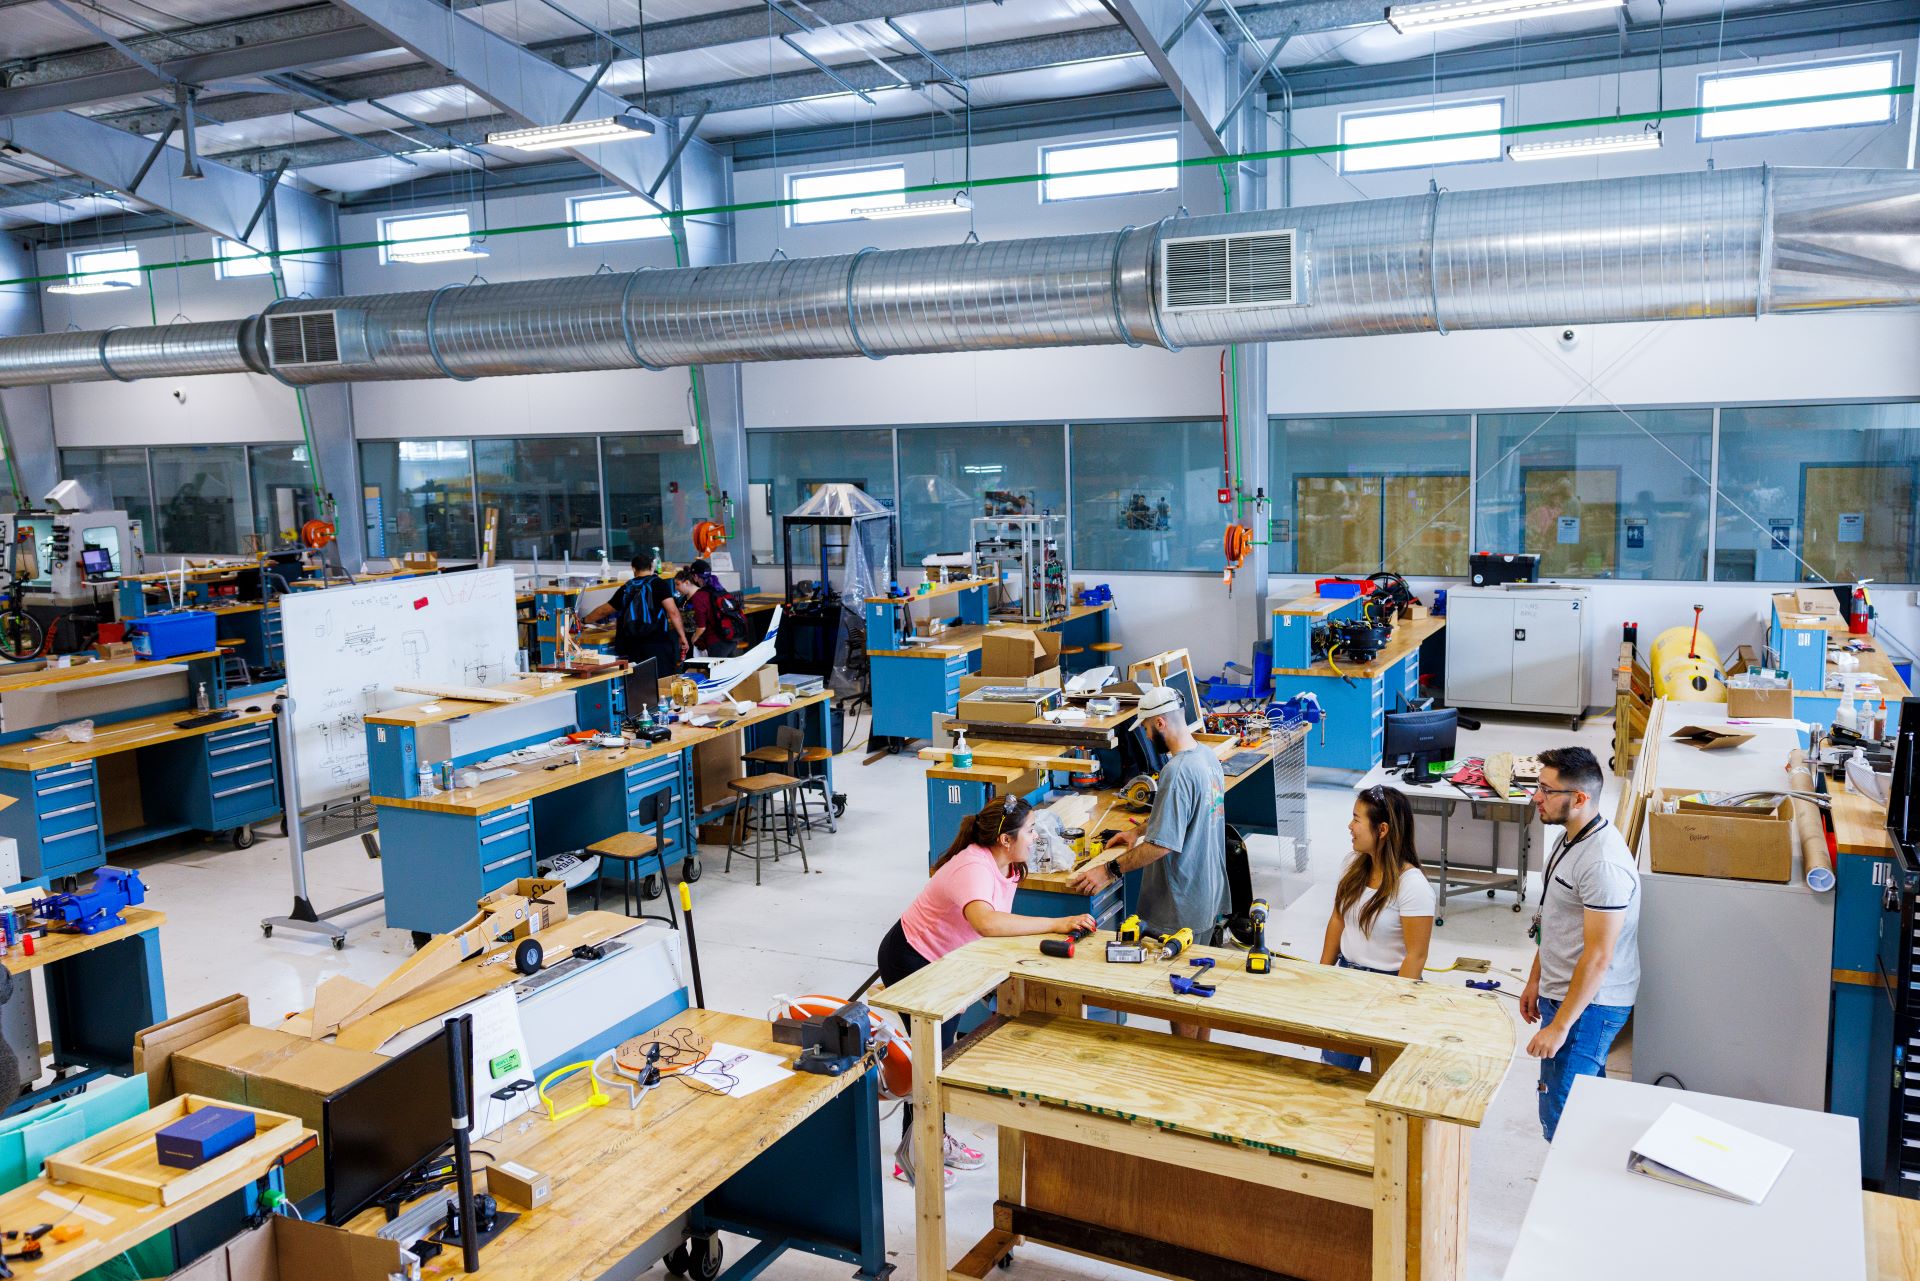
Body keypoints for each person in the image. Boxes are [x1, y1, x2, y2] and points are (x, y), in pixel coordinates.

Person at [877, 796, 1096, 1187]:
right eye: (1030, 830)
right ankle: (914, 1155)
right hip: (913, 958)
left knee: (939, 1057)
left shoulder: (1010, 866)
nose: (1035, 836)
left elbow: (1003, 922)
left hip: (949, 962)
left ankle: (933, 1139)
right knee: (931, 1061)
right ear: (1005, 838)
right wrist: (1057, 923)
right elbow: (986, 923)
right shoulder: (973, 867)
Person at [1067, 684, 1226, 1040]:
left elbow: (1163, 846)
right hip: (1208, 891)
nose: (1145, 736)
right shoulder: (1207, 757)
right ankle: (1201, 1058)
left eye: (1145, 728)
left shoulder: (1176, 771)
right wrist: (1139, 829)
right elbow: (1186, 815)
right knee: (1199, 982)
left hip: (1180, 898)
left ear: (1159, 724)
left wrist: (1108, 869)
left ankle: (1185, 1069)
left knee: (1180, 993)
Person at [1522, 745, 1640, 1142]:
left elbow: (1599, 956)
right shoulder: (1569, 838)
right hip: (1566, 992)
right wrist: (1536, 978)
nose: (1537, 797)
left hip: (1592, 1005)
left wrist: (1559, 1027)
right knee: (1586, 1105)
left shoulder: (1602, 864)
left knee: (1563, 1118)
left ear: (1579, 798)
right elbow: (1555, 918)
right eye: (1538, 786)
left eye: (1547, 790)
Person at [1318, 785, 1433, 1070]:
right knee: (1334, 1076)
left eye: (1357, 819)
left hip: (1390, 986)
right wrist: (1321, 975)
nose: (1350, 826)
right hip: (1347, 982)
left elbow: (1416, 956)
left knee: (1385, 1081)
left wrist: (1393, 1008)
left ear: (1382, 829)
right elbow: (1337, 920)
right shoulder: (1354, 868)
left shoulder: (1413, 886)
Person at [582, 556, 687, 674]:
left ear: (633, 569)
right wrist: (682, 636)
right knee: (662, 680)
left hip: (634, 644)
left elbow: (604, 611)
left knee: (639, 682)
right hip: (657, 641)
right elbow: (673, 612)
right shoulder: (659, 584)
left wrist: (584, 620)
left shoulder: (627, 587)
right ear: (651, 567)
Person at [672, 560, 744, 658]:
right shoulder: (718, 588)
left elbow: (701, 627)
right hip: (730, 637)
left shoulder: (699, 596)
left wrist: (693, 639)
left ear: (695, 577)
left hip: (716, 642)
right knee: (729, 671)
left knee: (716, 672)